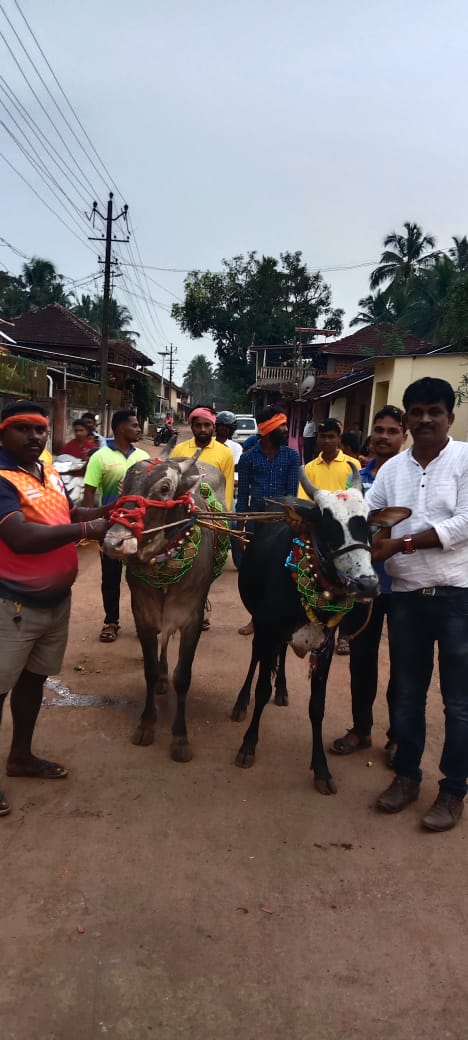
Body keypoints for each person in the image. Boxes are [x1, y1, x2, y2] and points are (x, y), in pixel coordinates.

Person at [367, 377, 468, 832]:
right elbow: (368, 518)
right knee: (406, 693)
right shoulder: (391, 471)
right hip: (406, 598)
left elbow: (465, 524)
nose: (426, 419)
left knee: (458, 702)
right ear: (407, 418)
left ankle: (452, 791)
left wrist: (400, 544)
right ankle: (407, 777)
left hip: (457, 595)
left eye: (435, 412)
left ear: (449, 416)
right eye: (417, 412)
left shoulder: (465, 459)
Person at [0, 401, 110, 817]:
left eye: (40, 430)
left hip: (53, 602)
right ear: (2, 434)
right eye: (22, 429)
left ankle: (21, 757)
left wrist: (107, 511)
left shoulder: (45, 470)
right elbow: (20, 536)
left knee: (32, 682)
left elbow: (68, 514)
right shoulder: (1, 478)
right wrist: (86, 529)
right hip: (11, 602)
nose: (34, 437)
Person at [330, 406, 407, 760]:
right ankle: (361, 729)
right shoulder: (356, 478)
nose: (384, 437)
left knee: (404, 666)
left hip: (405, 584)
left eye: (393, 431)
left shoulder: (411, 477)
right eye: (379, 430)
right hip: (363, 586)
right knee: (362, 658)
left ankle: (398, 736)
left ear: (403, 436)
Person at [83, 409, 149, 643]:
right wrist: (93, 526)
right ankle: (111, 621)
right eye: (134, 425)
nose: (139, 429)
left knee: (142, 578)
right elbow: (89, 493)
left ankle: (145, 623)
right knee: (110, 578)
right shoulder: (99, 457)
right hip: (112, 528)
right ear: (120, 428)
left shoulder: (143, 457)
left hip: (139, 529)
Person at [236, 406, 300, 634]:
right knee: (254, 571)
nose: (285, 430)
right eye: (281, 425)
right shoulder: (247, 459)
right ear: (267, 429)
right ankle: (256, 618)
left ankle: (282, 617)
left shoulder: (292, 456)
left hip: (282, 524)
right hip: (256, 522)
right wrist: (241, 527)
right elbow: (242, 495)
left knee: (281, 572)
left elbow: (291, 494)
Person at [298, 417, 357, 654]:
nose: (327, 440)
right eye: (323, 436)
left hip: (344, 535)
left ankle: (344, 635)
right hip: (316, 532)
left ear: (339, 439)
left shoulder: (353, 465)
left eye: (332, 436)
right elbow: (303, 499)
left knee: (349, 581)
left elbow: (356, 499)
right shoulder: (309, 468)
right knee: (306, 573)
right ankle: (311, 620)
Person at [171, 406, 234, 510]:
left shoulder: (225, 453)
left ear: (213, 427)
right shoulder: (179, 450)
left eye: (207, 425)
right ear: (192, 427)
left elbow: (227, 489)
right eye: (198, 425)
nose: (203, 429)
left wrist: (224, 516)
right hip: (183, 512)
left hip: (212, 514)